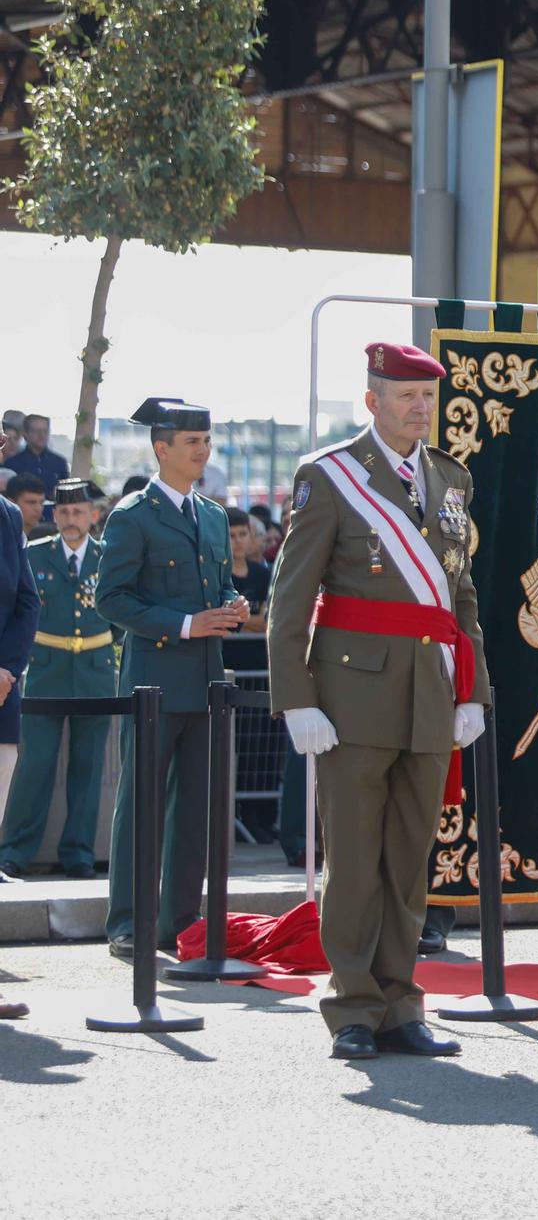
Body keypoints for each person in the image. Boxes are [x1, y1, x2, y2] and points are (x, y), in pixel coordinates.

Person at [267, 346, 488, 1060]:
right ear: (372, 401)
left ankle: (402, 1003)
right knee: (356, 861)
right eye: (404, 397)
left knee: (409, 859)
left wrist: (473, 690)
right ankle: (354, 1006)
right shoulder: (329, 476)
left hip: (429, 694)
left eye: (427, 397)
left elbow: (462, 597)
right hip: (351, 697)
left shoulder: (450, 480)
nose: (419, 409)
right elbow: (290, 600)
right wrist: (296, 698)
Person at [96, 400, 247, 958]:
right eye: (192, 443)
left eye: (206, 441)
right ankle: (128, 923)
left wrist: (231, 605)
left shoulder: (210, 514)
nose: (203, 451)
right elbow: (111, 598)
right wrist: (185, 625)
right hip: (153, 683)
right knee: (142, 804)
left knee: (196, 811)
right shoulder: (132, 515)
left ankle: (179, 922)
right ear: (162, 450)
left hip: (206, 682)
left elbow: (216, 587)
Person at [0, 478, 113, 879]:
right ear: (53, 515)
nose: (70, 519)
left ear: (93, 515)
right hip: (46, 670)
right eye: (63, 512)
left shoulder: (108, 557)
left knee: (88, 767)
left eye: (78, 511)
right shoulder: (35, 554)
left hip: (96, 674)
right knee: (34, 766)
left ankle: (79, 853)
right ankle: (14, 851)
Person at [0, 487, 37, 887]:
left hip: (3, 681)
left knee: (2, 763)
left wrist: (5, 669)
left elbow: (27, 602)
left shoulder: (8, 515)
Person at [225, 507, 272, 631]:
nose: (238, 541)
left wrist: (235, 620)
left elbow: (267, 622)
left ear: (250, 536)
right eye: (232, 535)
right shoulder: (218, 575)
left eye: (243, 534)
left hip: (257, 648)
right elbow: (220, 623)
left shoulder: (263, 574)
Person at [12, 415, 69, 505]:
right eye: (36, 431)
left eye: (45, 431)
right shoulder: (13, 463)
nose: (41, 435)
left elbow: (66, 495)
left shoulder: (59, 462)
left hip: (52, 515)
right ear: (25, 434)